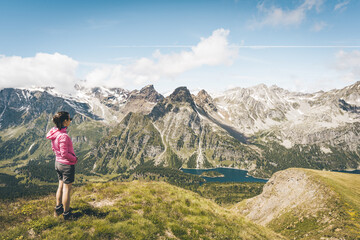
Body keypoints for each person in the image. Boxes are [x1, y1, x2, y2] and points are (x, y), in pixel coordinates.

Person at [46, 111, 77, 220]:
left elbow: (54, 149)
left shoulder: (54, 133)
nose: (70, 120)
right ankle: (67, 214)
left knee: (60, 186)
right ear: (65, 121)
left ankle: (58, 209)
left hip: (57, 163)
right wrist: (74, 159)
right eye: (69, 119)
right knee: (67, 189)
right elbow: (65, 153)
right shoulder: (63, 136)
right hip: (66, 164)